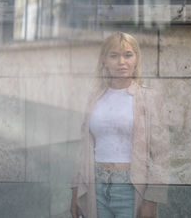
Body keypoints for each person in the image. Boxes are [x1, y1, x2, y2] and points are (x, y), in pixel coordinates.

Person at [70, 32, 170, 218]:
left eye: (128, 55)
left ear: (136, 60)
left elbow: (161, 154)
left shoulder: (149, 98)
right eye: (114, 56)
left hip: (131, 188)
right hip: (95, 185)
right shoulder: (94, 98)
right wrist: (75, 190)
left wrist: (151, 200)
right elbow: (83, 148)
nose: (121, 62)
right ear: (104, 61)